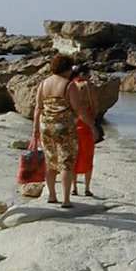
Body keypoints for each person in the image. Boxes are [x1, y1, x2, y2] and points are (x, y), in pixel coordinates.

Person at [33, 54, 97, 208]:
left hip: (46, 126)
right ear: (67, 68)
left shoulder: (43, 84)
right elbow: (79, 109)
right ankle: (67, 200)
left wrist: (35, 131)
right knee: (66, 163)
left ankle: (52, 196)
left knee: (50, 162)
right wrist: (92, 126)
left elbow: (37, 109)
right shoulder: (69, 85)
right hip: (64, 128)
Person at [70, 63, 98, 197]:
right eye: (88, 74)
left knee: (73, 156)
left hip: (73, 122)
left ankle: (74, 188)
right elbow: (95, 104)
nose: (89, 77)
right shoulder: (87, 86)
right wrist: (93, 119)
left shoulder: (70, 86)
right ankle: (87, 188)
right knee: (88, 155)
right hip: (86, 123)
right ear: (82, 74)